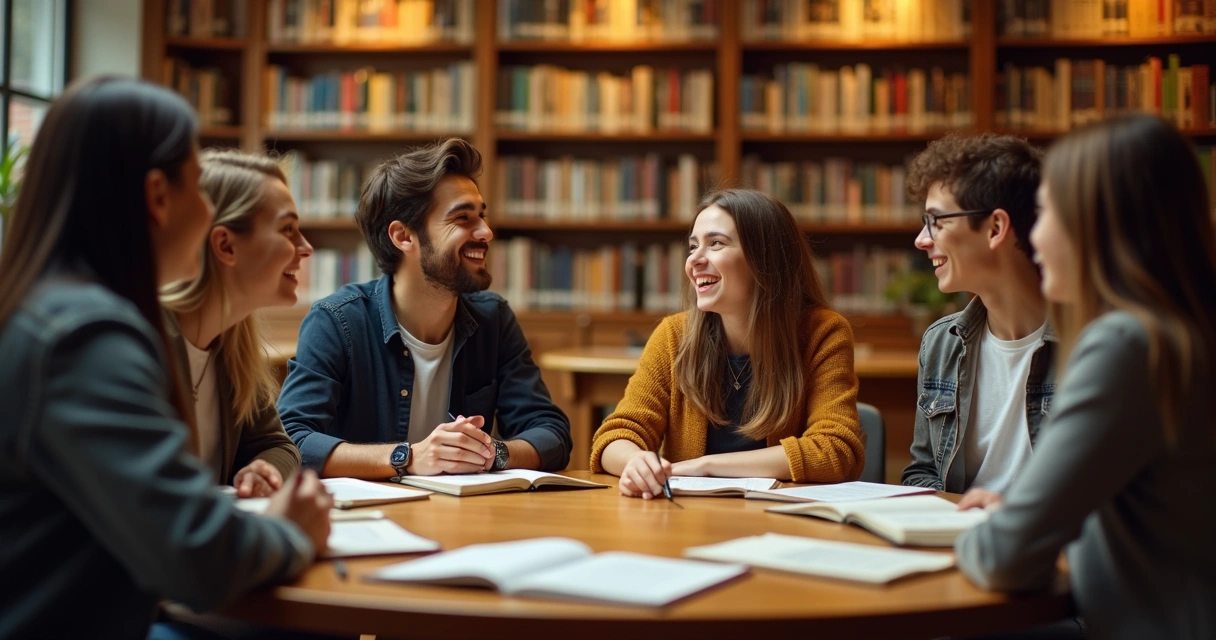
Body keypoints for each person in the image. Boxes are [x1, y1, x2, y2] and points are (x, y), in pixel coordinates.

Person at [0, 77, 331, 639]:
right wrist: (292, 531)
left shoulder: (55, 313)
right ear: (158, 195)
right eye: (197, 188)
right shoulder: (88, 340)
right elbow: (197, 554)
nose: (205, 213)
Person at [955, 115, 1216, 639]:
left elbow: (1004, 559)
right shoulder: (1184, 333)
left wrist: (990, 532)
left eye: (1048, 212)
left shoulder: (1125, 345)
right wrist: (1029, 512)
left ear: (1098, 224)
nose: (1035, 235)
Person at [278, 138, 572, 479]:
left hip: (463, 509)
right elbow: (291, 442)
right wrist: (408, 457)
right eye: (462, 218)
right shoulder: (337, 322)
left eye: (482, 216)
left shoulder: (494, 319)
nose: (486, 232)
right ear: (404, 237)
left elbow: (552, 433)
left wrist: (490, 453)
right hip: (367, 511)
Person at [590, 189, 865, 498]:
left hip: (782, 518)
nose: (694, 260)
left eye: (716, 243)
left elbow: (836, 450)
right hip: (689, 518)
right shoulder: (674, 336)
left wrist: (707, 466)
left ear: (765, 258)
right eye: (693, 246)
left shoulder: (822, 333)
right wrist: (635, 462)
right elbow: (614, 437)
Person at [900, 133, 1057, 508]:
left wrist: (1012, 512)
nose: (922, 240)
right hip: (960, 533)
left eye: (936, 221)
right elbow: (923, 472)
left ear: (995, 228)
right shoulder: (942, 342)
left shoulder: (1091, 343)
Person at [162, 149, 313, 498]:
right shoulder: (142, 342)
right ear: (226, 245)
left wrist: (264, 470)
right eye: (287, 229)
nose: (305, 247)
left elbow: (278, 445)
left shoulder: (233, 342)